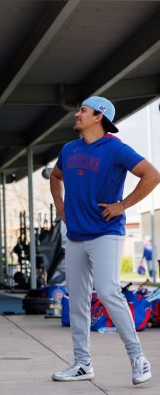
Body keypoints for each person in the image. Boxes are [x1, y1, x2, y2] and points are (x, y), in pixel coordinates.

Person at [50, 96, 160, 386]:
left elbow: (152, 175)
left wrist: (122, 205)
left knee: (109, 291)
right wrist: (59, 205)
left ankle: (138, 358)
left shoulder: (115, 149)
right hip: (75, 235)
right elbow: (55, 176)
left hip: (106, 232)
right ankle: (82, 363)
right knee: (77, 301)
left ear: (99, 116)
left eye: (83, 111)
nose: (77, 114)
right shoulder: (68, 149)